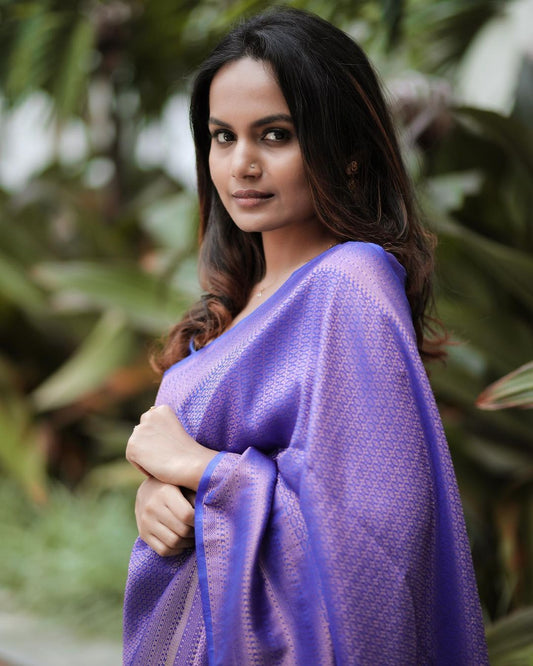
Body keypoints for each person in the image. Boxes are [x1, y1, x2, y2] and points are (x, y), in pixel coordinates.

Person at [123, 8, 488, 665]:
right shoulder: (237, 299)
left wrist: (201, 472)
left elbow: (375, 540)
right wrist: (162, 495)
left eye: (275, 135)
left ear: (348, 153)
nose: (243, 164)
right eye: (222, 136)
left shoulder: (349, 284)